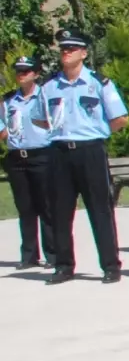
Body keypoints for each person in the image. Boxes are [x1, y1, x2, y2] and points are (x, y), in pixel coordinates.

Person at [27, 29, 129, 284]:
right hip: (60, 152)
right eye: (63, 48)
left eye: (72, 48)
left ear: (83, 53)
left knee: (100, 210)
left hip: (90, 150)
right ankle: (63, 266)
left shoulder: (98, 83)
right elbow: (39, 118)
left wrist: (98, 133)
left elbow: (120, 118)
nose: (66, 52)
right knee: (60, 212)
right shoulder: (50, 86)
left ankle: (110, 265)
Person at [5, 56, 57, 271]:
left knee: (46, 206)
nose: (21, 75)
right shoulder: (8, 100)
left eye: (26, 71)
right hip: (17, 156)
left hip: (41, 155)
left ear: (36, 74)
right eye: (19, 71)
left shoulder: (43, 96)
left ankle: (53, 254)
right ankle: (29, 254)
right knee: (25, 208)